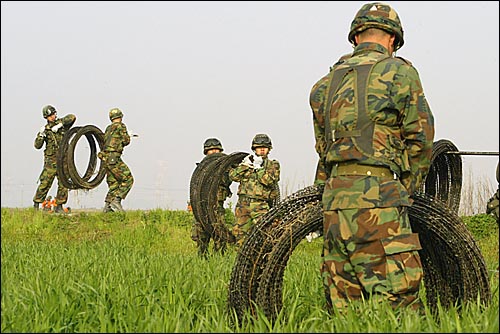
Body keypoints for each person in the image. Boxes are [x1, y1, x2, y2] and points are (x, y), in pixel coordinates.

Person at [309, 2, 435, 311]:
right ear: (393, 39)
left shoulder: (324, 85)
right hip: (379, 198)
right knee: (397, 300)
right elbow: (420, 138)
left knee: (346, 308)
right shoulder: (400, 72)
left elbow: (324, 150)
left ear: (355, 38)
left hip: (335, 205)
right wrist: (405, 188)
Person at [229, 134, 280, 246]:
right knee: (240, 235)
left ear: (269, 149)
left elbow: (270, 181)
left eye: (264, 147)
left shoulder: (273, 165)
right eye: (259, 147)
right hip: (243, 204)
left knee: (267, 233)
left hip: (260, 204)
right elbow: (233, 177)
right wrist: (244, 166)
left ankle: (266, 259)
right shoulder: (247, 162)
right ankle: (242, 261)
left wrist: (259, 168)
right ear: (254, 149)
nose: (262, 149)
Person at [191, 138, 233, 257]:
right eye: (211, 150)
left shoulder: (225, 168)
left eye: (216, 150)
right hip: (201, 207)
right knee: (201, 235)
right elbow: (194, 187)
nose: (214, 152)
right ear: (206, 152)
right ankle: (202, 259)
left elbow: (228, 180)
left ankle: (219, 259)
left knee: (220, 234)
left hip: (216, 207)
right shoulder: (200, 169)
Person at [33, 105, 76, 213]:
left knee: (64, 182)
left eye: (53, 114)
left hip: (63, 159)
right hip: (51, 160)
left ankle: (59, 205)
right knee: (45, 182)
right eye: (50, 115)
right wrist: (41, 135)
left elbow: (72, 117)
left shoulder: (62, 124)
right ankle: (36, 204)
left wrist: (61, 124)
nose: (53, 116)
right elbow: (37, 146)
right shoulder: (45, 130)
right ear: (46, 117)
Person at [99, 108, 134, 212]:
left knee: (114, 183)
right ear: (121, 117)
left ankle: (107, 208)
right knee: (128, 179)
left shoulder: (108, 128)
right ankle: (117, 200)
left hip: (106, 159)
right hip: (114, 158)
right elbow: (126, 141)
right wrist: (128, 136)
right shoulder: (121, 126)